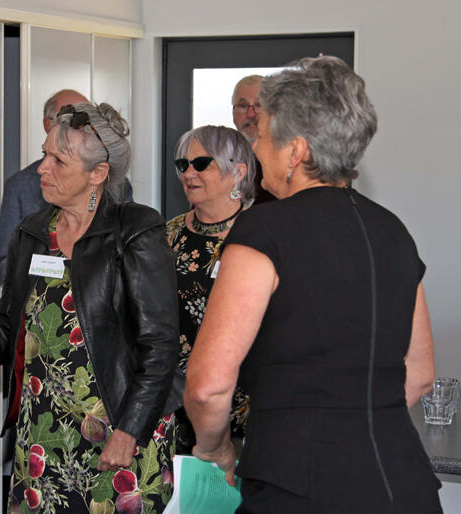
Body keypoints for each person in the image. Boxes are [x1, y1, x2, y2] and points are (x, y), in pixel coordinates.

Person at [184, 56, 441, 512]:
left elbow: (208, 385)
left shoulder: (264, 232)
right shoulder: (394, 232)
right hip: (403, 484)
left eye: (261, 137)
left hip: (297, 487)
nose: (256, 149)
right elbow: (419, 375)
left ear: (296, 151)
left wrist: (214, 448)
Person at [0, 102, 183, 513]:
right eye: (44, 154)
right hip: (44, 435)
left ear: (97, 174)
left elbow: (160, 345)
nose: (42, 168)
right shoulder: (32, 232)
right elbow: (9, 331)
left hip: (116, 433)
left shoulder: (135, 231)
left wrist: (130, 430)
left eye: (58, 159)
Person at [165, 125, 255, 455]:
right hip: (179, 402)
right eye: (182, 165)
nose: (189, 172)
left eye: (202, 163)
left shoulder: (265, 233)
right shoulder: (169, 234)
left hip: (248, 406)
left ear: (238, 172)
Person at [0, 89, 133, 284]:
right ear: (48, 124)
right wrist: (57, 277)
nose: (43, 169)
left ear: (98, 173)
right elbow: (5, 265)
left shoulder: (129, 208)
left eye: (84, 117)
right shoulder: (22, 192)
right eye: (65, 117)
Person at [232, 75, 274, 204]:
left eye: (259, 105)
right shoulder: (219, 161)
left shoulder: (288, 163)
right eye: (243, 106)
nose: (251, 114)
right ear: (233, 113)